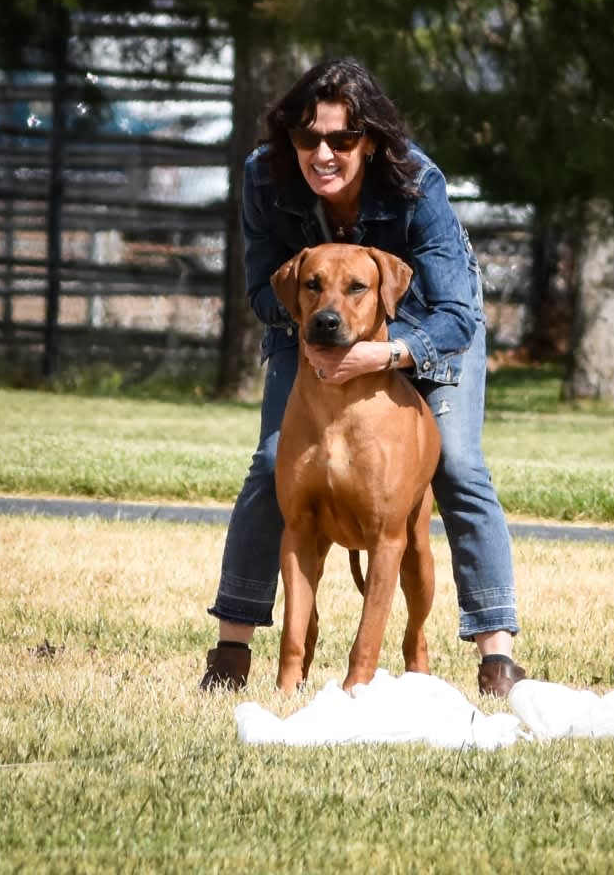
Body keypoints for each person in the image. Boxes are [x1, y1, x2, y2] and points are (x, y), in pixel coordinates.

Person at [200, 57, 526, 698]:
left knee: (457, 464)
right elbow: (262, 289)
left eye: (342, 139)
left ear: (369, 140)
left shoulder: (415, 182)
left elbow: (458, 314)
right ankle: (231, 654)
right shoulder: (262, 177)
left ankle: (498, 656)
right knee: (271, 466)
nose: (323, 153)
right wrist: (311, 326)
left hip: (428, 325)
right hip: (311, 325)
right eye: (307, 138)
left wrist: (388, 351)